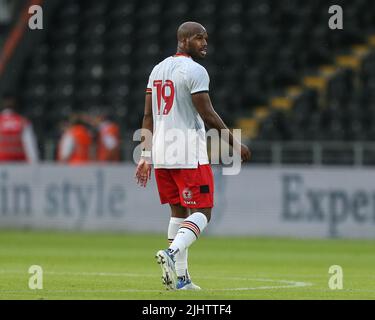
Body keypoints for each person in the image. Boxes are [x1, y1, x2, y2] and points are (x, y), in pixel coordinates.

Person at [135, 21, 251, 290]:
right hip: (188, 150)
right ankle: (171, 253)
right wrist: (234, 143)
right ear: (184, 40)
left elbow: (148, 115)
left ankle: (183, 279)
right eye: (199, 38)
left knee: (178, 213)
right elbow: (208, 114)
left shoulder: (157, 69)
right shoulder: (195, 71)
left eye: (206, 38)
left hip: (162, 152)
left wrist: (145, 153)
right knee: (204, 212)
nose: (205, 43)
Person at [0, 94, 39, 163]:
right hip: (20, 165)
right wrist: (34, 165)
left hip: (2, 164)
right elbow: (31, 148)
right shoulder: (23, 121)